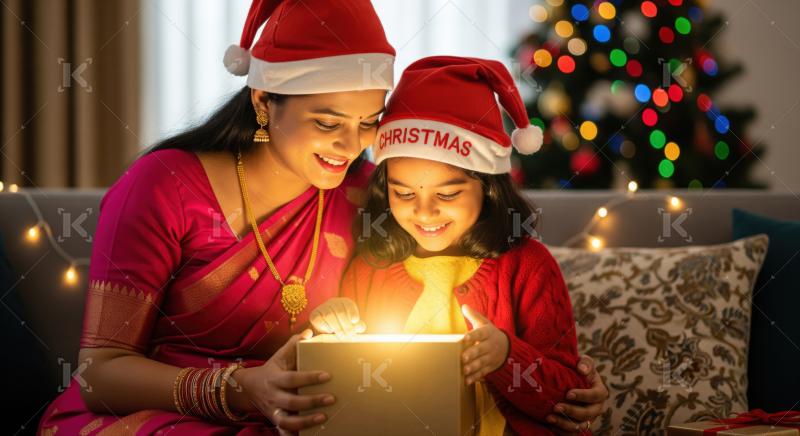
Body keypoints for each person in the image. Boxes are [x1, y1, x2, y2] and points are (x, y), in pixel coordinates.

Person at [38, 1, 607, 434]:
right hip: (160, 416)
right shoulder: (164, 185)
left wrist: (561, 383)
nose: (350, 145)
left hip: (299, 419)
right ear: (265, 102)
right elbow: (99, 374)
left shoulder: (371, 194)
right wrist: (239, 389)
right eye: (328, 122)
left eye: (368, 123)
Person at [310, 56, 593, 435]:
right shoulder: (370, 266)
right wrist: (333, 329)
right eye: (404, 193)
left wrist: (506, 356)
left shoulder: (528, 266)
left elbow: (569, 398)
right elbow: (346, 389)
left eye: (447, 193)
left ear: (488, 187)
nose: (424, 212)